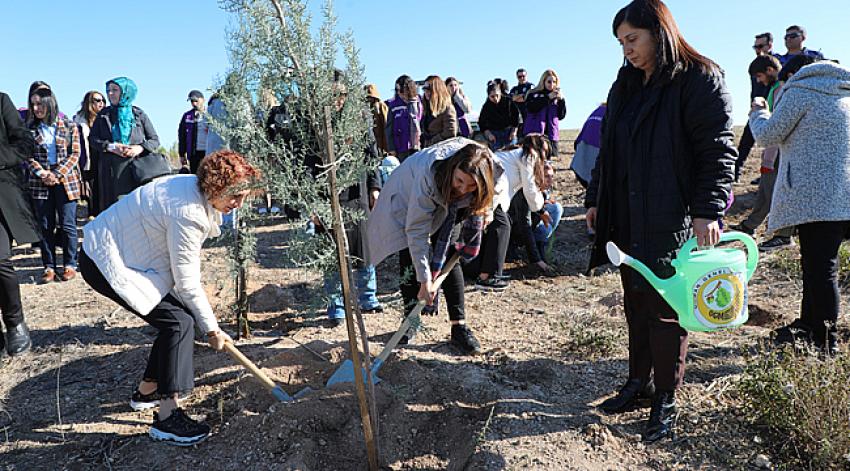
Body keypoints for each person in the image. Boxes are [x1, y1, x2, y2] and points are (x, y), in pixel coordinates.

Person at [585, 0, 736, 442]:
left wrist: (709, 210)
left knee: (666, 307)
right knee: (635, 298)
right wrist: (596, 198)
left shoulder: (698, 77)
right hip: (627, 212)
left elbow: (717, 149)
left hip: (672, 212)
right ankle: (638, 381)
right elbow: (608, 148)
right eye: (620, 42)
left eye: (632, 39)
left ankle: (665, 395)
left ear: (659, 31)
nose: (626, 49)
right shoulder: (626, 83)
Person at [79, 150, 259, 445]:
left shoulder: (192, 187)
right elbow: (187, 284)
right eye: (234, 196)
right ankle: (167, 418)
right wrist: (212, 329)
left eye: (242, 196)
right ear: (215, 187)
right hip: (105, 260)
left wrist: (209, 325)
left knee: (175, 318)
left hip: (123, 255)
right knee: (179, 322)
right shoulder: (187, 212)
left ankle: (147, 390)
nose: (238, 204)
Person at [749, 61, 850, 356]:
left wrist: (758, 111)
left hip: (816, 198)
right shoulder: (845, 93)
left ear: (792, 75)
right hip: (843, 196)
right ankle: (807, 326)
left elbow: (767, 135)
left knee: (822, 270)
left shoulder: (800, 90)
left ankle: (827, 344)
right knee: (816, 266)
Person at [367, 137, 496, 354]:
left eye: (472, 185)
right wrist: (425, 280)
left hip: (452, 204)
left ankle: (459, 327)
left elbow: (496, 186)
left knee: (449, 254)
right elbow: (416, 232)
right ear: (453, 169)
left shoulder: (488, 165)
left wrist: (487, 208)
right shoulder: (428, 176)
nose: (464, 189)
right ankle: (410, 322)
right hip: (407, 198)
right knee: (411, 258)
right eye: (460, 181)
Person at [467, 134, 550, 290]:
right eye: (544, 150)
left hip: (489, 186)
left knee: (495, 227)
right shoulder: (529, 155)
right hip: (494, 188)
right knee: (502, 226)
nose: (545, 155)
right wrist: (541, 210)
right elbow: (530, 190)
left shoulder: (513, 153)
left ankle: (482, 271)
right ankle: (488, 277)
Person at [731, 54, 795, 250]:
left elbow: (778, 125)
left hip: (780, 152)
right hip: (772, 152)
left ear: (769, 70)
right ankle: (750, 226)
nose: (759, 81)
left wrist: (759, 113)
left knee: (779, 194)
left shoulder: (783, 90)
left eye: (759, 76)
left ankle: (784, 235)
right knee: (766, 191)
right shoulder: (774, 90)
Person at [26, 89, 82, 283]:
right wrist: (43, 173)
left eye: (40, 104)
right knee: (45, 225)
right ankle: (49, 266)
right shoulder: (30, 129)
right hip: (40, 181)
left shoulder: (69, 125)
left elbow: (75, 154)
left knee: (67, 224)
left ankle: (70, 264)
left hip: (66, 180)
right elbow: (27, 155)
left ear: (50, 103)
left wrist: (57, 174)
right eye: (33, 104)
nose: (36, 108)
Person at [0, 91, 37, 357]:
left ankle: (15, 324)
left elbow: (25, 143)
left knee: (0, 262)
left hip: (2, 197)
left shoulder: (1, 101)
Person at [89, 77, 161, 213]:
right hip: (110, 173)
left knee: (135, 211)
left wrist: (139, 148)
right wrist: (111, 147)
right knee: (112, 213)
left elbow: (154, 140)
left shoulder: (138, 114)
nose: (110, 94)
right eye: (108, 90)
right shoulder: (104, 115)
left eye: (115, 90)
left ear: (126, 92)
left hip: (135, 171)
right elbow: (93, 139)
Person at [735, 33, 783, 182]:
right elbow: (754, 90)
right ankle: (735, 172)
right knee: (745, 142)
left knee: (772, 146)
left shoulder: (777, 67)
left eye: (760, 46)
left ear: (770, 45)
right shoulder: (756, 66)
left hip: (773, 110)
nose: (757, 49)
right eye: (755, 46)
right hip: (758, 108)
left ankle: (767, 176)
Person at [73, 91, 106, 216]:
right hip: (86, 162)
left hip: (101, 159)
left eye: (103, 100)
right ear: (89, 102)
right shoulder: (79, 121)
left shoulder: (105, 118)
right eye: (97, 100)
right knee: (91, 194)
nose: (101, 103)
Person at [523, 69, 567, 155]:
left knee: (549, 165)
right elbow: (531, 108)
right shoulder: (533, 94)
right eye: (549, 82)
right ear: (543, 81)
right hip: (534, 135)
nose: (552, 84)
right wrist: (548, 98)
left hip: (551, 135)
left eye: (554, 82)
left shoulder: (557, 96)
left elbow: (561, 116)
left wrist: (562, 101)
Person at [385, 75, 422, 161]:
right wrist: (391, 148)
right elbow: (388, 128)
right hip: (400, 147)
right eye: (397, 90)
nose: (399, 93)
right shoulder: (393, 104)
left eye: (401, 90)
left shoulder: (418, 102)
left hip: (417, 145)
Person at [571, 103, 607, 189]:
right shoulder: (614, 110)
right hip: (596, 161)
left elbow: (577, 142)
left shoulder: (600, 109)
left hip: (579, 161)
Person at [478, 81, 521, 150]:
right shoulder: (486, 106)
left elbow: (516, 117)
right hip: (495, 135)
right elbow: (482, 122)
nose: (495, 98)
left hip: (509, 132)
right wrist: (488, 134)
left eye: (497, 95)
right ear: (488, 96)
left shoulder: (508, 101)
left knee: (512, 154)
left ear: (500, 93)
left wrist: (514, 131)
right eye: (492, 96)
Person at [420, 75, 458, 148]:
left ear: (437, 90)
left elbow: (450, 132)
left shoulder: (448, 108)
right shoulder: (426, 109)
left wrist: (432, 142)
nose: (426, 92)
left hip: (442, 151)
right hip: (428, 150)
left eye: (429, 90)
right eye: (424, 90)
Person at [178, 90, 209, 174]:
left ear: (203, 100)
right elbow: (182, 136)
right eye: (192, 101)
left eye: (196, 101)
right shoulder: (187, 116)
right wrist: (182, 154)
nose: (194, 103)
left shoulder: (210, 115)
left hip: (208, 153)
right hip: (193, 154)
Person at [364, 84, 389, 153]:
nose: (369, 100)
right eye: (367, 98)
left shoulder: (381, 106)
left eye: (370, 98)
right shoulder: (363, 108)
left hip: (382, 144)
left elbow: (386, 125)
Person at [509, 68, 534, 135]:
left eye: (523, 76)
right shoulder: (514, 89)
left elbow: (527, 98)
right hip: (517, 119)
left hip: (529, 117)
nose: (522, 78)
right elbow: (511, 99)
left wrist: (518, 97)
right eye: (520, 76)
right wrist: (523, 95)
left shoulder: (530, 86)